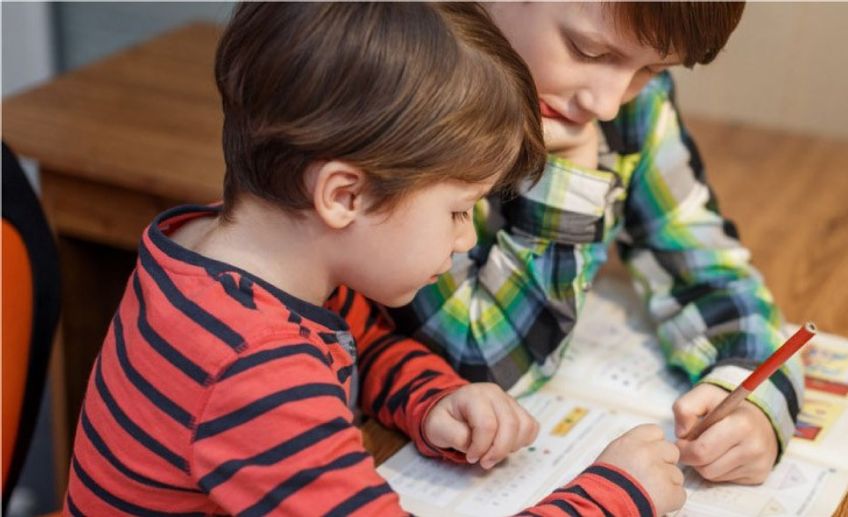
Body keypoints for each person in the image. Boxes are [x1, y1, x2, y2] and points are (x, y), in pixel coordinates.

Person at [64, 3, 685, 515]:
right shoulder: (255, 370)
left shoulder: (221, 256)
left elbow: (353, 340)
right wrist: (615, 497)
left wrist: (431, 398)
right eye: (457, 210)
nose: (467, 238)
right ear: (344, 195)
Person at [391, 2, 804, 485]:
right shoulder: (404, 87)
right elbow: (480, 366)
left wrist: (753, 399)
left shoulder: (633, 110)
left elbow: (706, 267)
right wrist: (573, 170)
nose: (607, 104)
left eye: (651, 69)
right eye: (587, 50)